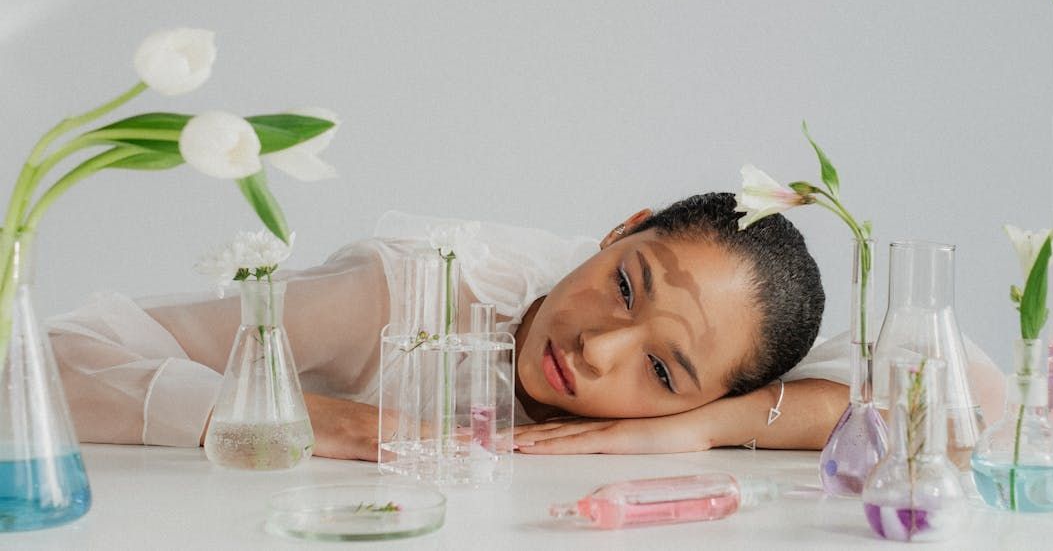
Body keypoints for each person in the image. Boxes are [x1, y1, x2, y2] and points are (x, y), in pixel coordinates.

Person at [48, 193, 1003, 461]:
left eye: (665, 371)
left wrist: (696, 429)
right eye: (628, 284)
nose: (598, 347)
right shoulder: (410, 292)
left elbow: (971, 403)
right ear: (620, 228)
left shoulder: (704, 406)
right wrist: (338, 423)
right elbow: (53, 357)